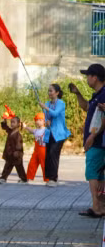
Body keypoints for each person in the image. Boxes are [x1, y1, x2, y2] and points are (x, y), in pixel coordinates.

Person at [70, 64, 105, 216]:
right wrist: (78, 94)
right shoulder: (97, 95)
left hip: (98, 142)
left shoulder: (103, 95)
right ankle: (101, 206)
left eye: (88, 76)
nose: (86, 79)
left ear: (95, 77)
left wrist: (92, 136)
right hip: (97, 141)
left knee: (92, 172)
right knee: (99, 174)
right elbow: (86, 107)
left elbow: (103, 119)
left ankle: (96, 207)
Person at [38, 83, 70, 187]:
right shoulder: (47, 103)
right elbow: (47, 117)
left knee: (53, 154)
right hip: (49, 133)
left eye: (51, 91)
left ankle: (53, 178)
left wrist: (45, 107)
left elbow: (55, 113)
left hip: (59, 134)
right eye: (48, 91)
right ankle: (49, 177)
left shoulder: (61, 103)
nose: (49, 93)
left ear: (57, 92)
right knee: (48, 155)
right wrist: (47, 121)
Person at [0, 115, 27, 184]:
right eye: (11, 122)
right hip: (10, 154)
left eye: (13, 122)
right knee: (7, 166)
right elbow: (5, 127)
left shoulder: (18, 135)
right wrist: (5, 121)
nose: (11, 124)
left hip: (16, 155)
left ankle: (24, 179)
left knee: (19, 168)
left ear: (18, 124)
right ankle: (3, 178)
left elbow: (19, 145)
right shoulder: (10, 131)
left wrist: (17, 153)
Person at [25, 113, 48, 182]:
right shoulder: (36, 130)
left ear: (44, 121)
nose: (38, 121)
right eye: (37, 120)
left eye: (40, 120)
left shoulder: (46, 130)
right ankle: (29, 177)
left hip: (43, 150)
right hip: (36, 150)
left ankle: (47, 179)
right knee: (32, 163)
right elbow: (31, 130)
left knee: (44, 165)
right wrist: (25, 126)